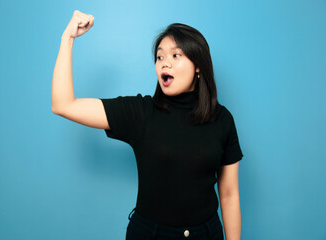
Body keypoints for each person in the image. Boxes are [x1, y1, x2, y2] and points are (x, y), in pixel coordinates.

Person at [52, 10, 243, 240]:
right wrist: (68, 39)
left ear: (198, 66)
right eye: (160, 57)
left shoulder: (222, 119)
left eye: (176, 56)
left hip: (207, 234)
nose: (165, 64)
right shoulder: (141, 113)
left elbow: (229, 193)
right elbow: (63, 104)